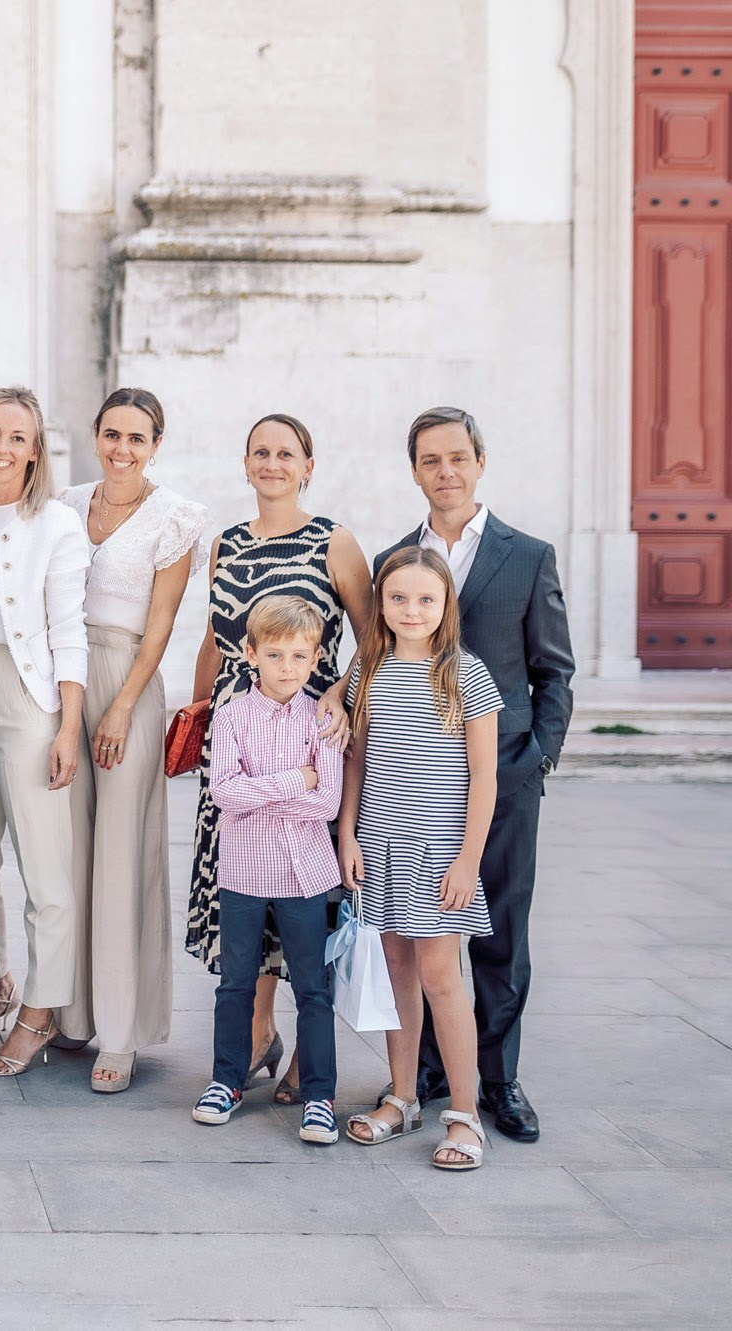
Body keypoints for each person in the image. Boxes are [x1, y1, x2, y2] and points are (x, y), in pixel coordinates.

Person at [372, 407, 573, 1143]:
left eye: (458, 456)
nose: (446, 470)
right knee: (422, 933)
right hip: (415, 792)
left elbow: (555, 671)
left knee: (499, 935)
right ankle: (425, 1074)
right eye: (431, 459)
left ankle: (500, 1080)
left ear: (480, 461)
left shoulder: (528, 554)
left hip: (503, 776)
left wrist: (538, 757)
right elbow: (374, 656)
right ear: (416, 468)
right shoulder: (394, 560)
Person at [185, 413, 372, 1103]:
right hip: (237, 730)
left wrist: (345, 700)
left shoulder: (334, 540)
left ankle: (306, 1058)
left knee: (300, 894)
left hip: (308, 728)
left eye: (285, 452)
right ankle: (258, 1033)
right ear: (246, 462)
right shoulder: (226, 543)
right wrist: (196, 714)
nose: (271, 462)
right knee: (245, 884)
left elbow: (370, 631)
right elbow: (214, 637)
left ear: (307, 465)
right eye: (260, 451)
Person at [60, 388, 209, 1093]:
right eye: (112, 433)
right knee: (71, 850)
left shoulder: (174, 517)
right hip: (64, 676)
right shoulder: (64, 503)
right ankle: (74, 1010)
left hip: (128, 680)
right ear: (96, 435)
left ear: (156, 444)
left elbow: (162, 627)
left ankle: (120, 1033)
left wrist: (120, 707)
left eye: (138, 438)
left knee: (121, 853)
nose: (122, 448)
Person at [339, 547, 501, 1171]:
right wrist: (348, 834)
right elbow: (355, 758)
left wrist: (467, 861)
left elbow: (484, 778)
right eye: (398, 597)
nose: (411, 609)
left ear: (445, 605)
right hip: (377, 842)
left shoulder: (464, 673)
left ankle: (464, 1114)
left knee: (441, 977)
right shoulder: (368, 669)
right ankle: (402, 1097)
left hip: (436, 852)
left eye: (425, 599)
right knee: (396, 974)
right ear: (381, 602)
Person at [0, 387, 89, 1078]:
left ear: (35, 450)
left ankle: (41, 1009)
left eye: (16, 436)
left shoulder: (57, 525)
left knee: (43, 867)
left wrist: (68, 724)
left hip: (29, 701)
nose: (1, 446)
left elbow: (70, 631)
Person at [189, 596, 343, 1145]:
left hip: (306, 875)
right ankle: (226, 1080)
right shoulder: (230, 717)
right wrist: (293, 780)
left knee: (313, 988)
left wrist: (277, 790)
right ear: (251, 653)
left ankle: (319, 1095)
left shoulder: (323, 721)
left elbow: (326, 804)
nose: (286, 667)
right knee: (235, 983)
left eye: (299, 657)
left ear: (315, 658)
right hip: (244, 875)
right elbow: (227, 795)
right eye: (275, 654)